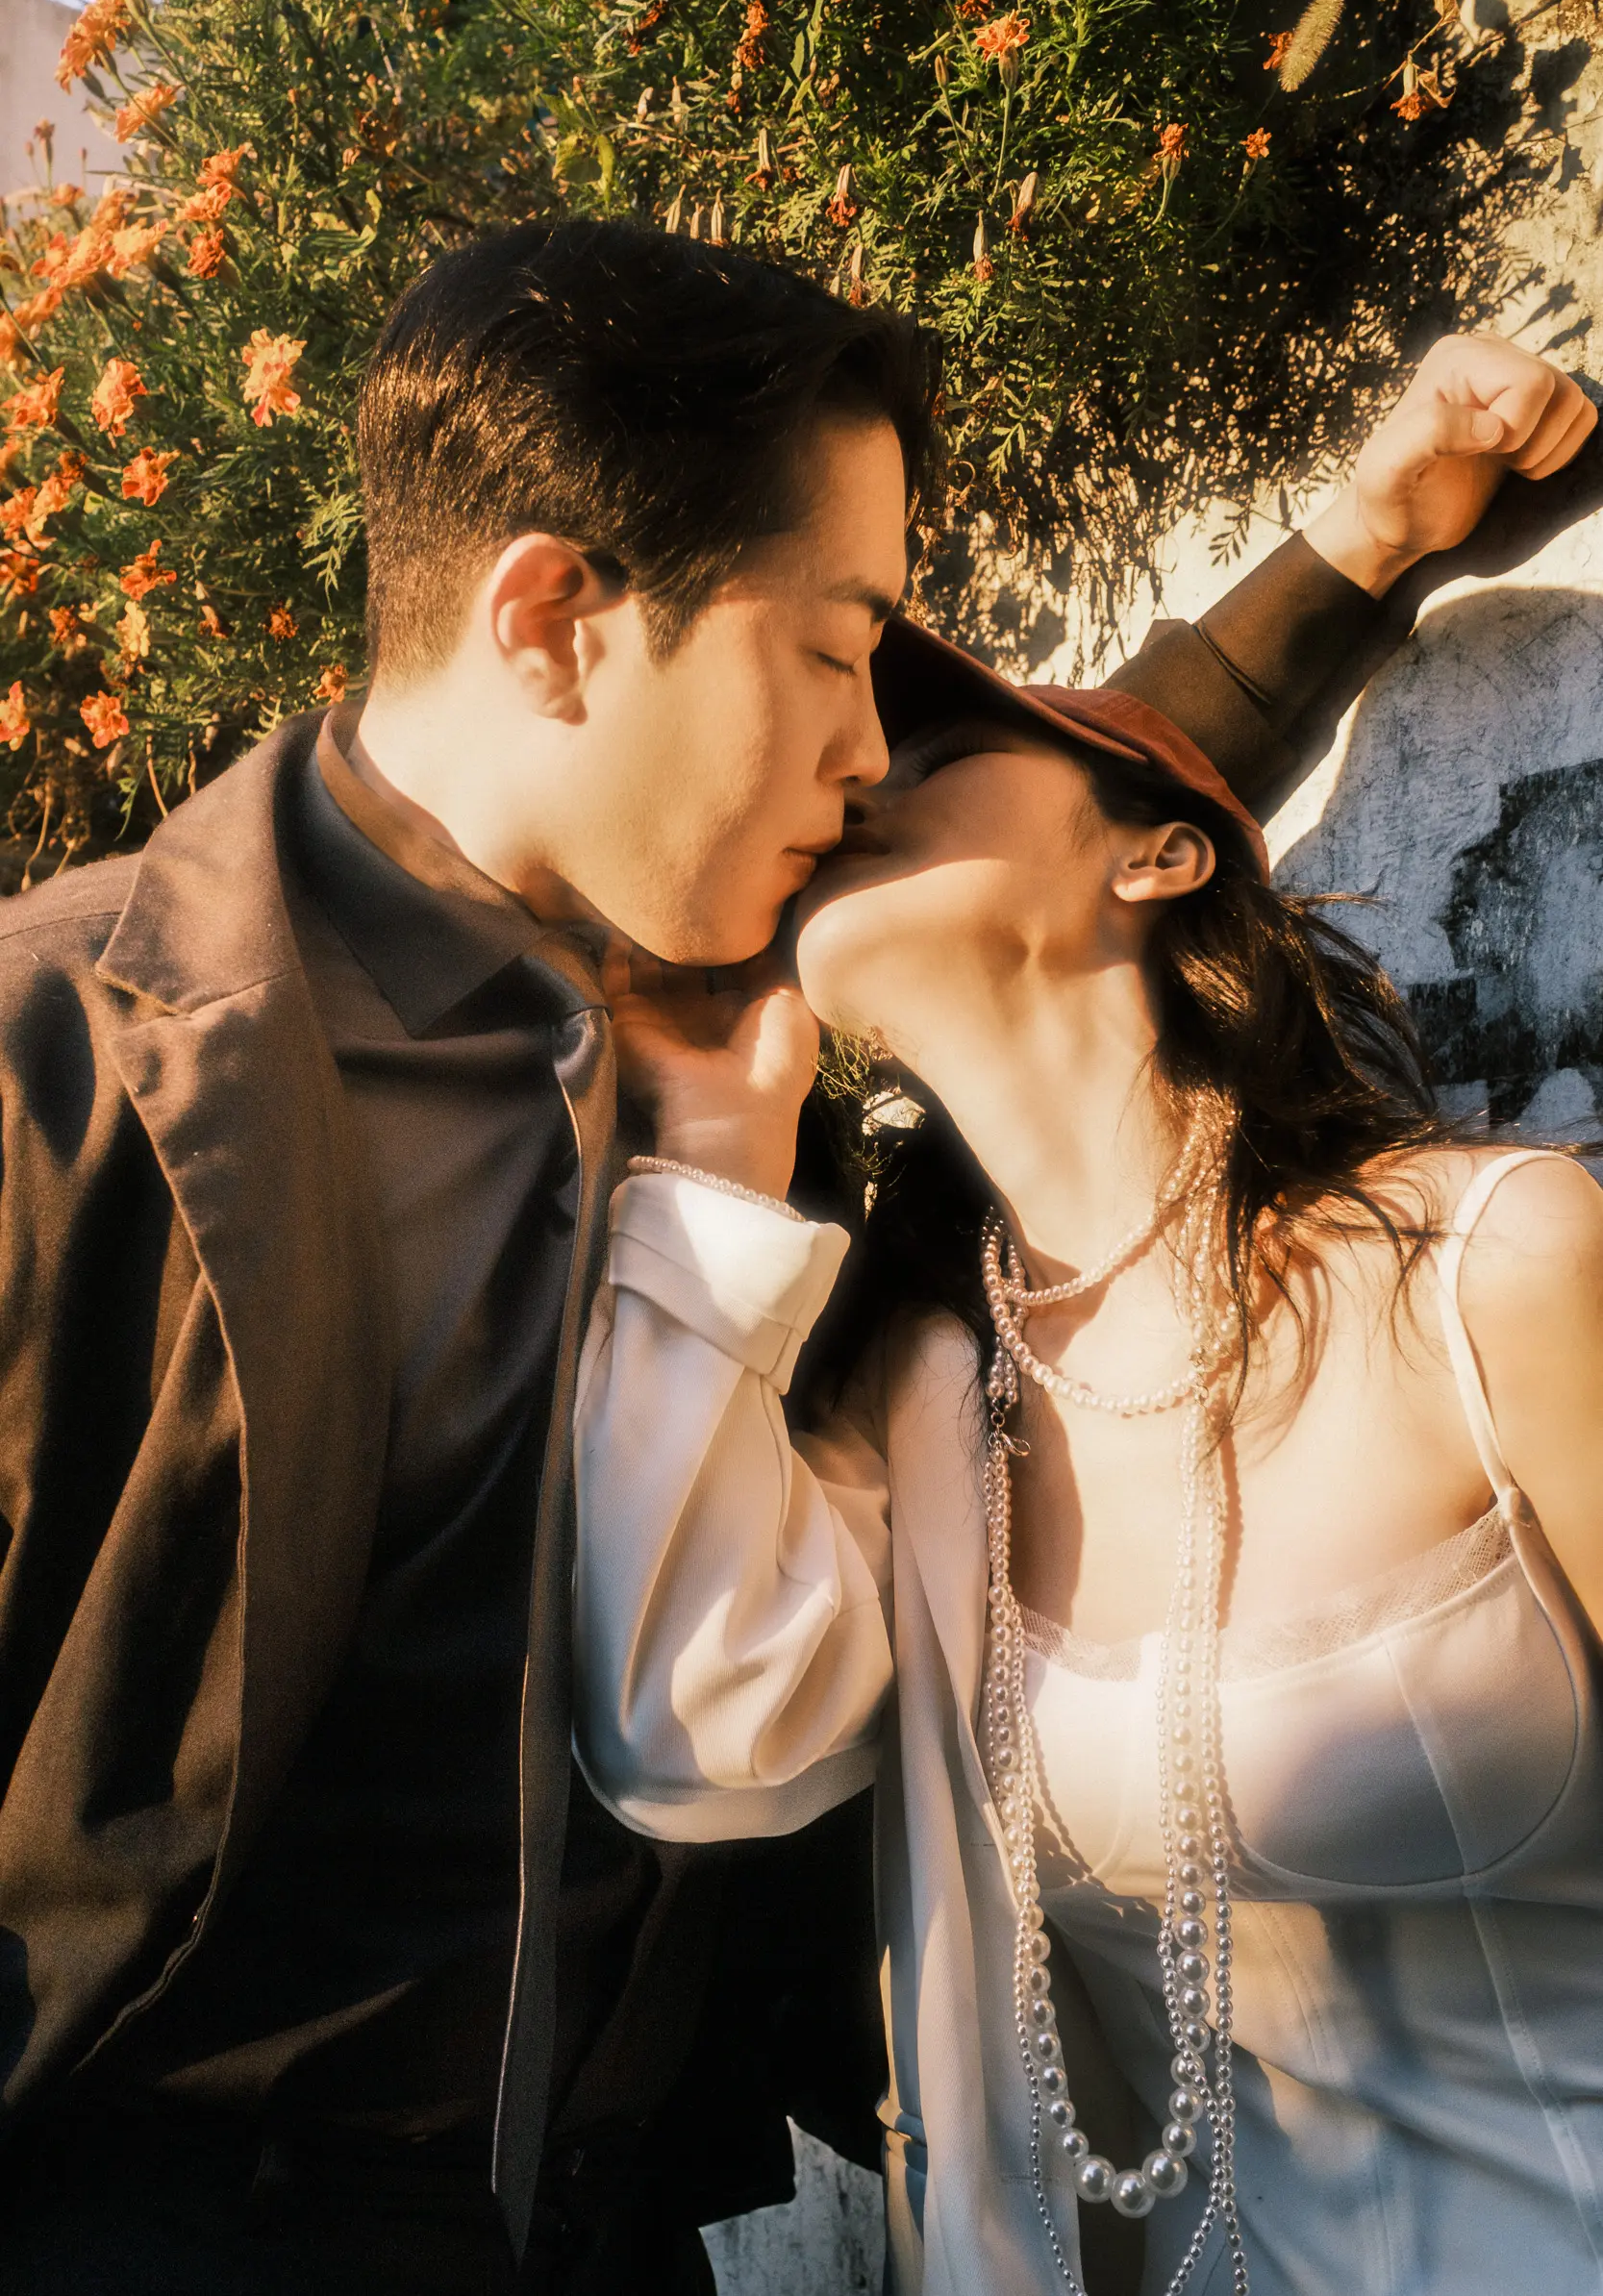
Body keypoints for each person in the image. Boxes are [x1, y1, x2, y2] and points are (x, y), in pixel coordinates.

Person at [0, 207, 1584, 2296]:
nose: (860, 760)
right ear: (552, 619)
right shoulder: (56, 1056)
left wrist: (1362, 550)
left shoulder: (728, 980)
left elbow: (1056, 861)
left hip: (612, 2233)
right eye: (840, 654)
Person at [570, 362, 1603, 2296]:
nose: (858, 775)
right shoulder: (917, 1405)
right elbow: (689, 1732)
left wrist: (1369, 535)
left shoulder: (1493, 1270)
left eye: (935, 743)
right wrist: (707, 1150)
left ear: (1157, 851)